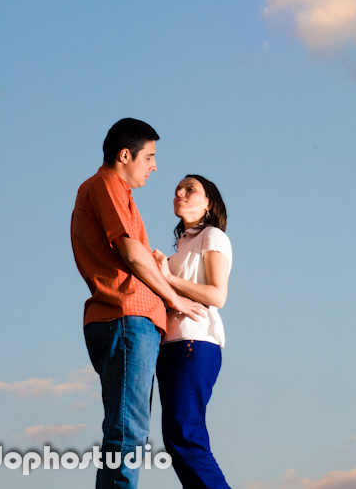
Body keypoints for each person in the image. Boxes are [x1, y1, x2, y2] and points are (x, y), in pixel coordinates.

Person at [71, 119, 207, 489]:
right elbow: (131, 253)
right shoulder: (106, 185)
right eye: (149, 157)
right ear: (125, 155)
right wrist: (173, 295)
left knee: (128, 432)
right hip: (125, 317)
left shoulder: (117, 193)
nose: (155, 166)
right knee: (127, 434)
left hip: (126, 321)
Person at [153, 174, 232, 489]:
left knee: (184, 431)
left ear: (208, 202)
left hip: (195, 342)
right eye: (178, 189)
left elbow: (217, 295)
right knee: (174, 439)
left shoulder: (212, 236)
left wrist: (168, 278)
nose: (179, 192)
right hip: (170, 347)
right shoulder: (179, 249)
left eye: (190, 189)